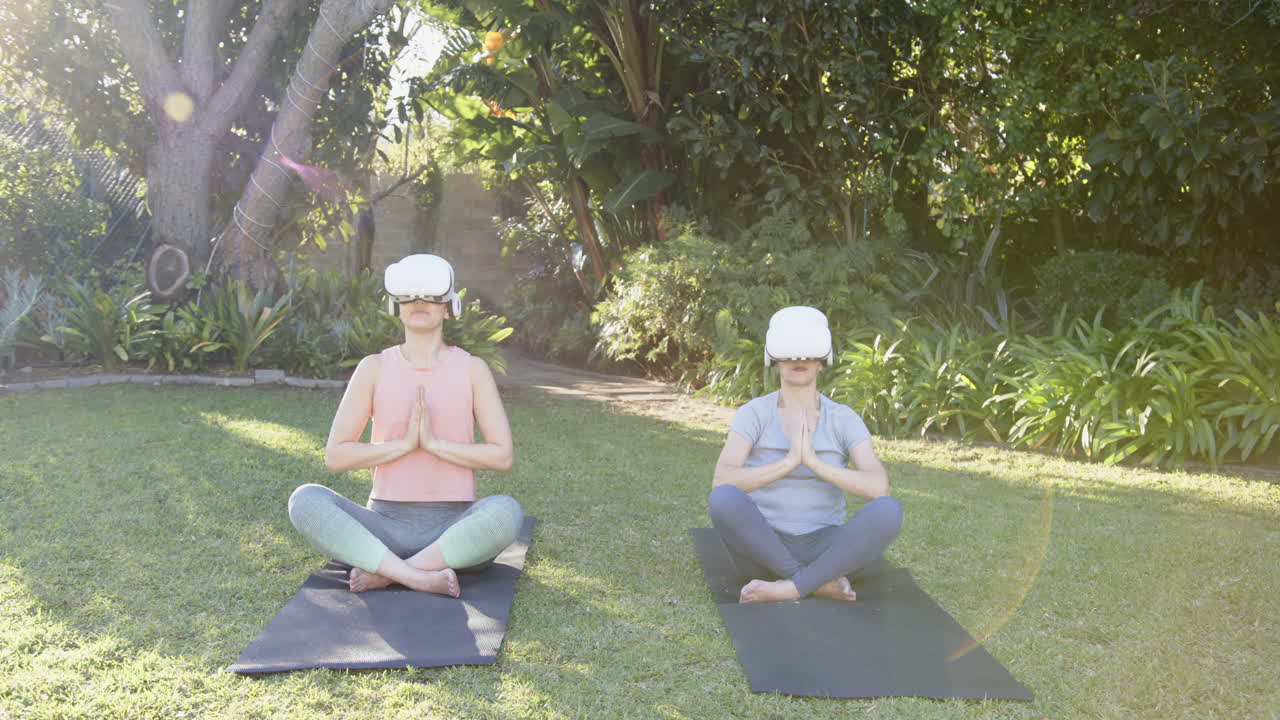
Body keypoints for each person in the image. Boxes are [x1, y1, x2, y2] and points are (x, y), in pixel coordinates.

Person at [287, 254, 523, 597]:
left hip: (453, 532)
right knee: (305, 500)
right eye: (410, 297)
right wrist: (403, 445)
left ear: (449, 307)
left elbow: (502, 457)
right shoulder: (373, 367)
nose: (419, 303)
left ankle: (387, 574)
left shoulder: (473, 369)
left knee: (506, 511)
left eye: (430, 296)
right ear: (397, 306)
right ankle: (418, 576)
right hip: (383, 527)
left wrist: (432, 444)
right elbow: (335, 457)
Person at [709, 306, 903, 603]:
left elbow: (878, 488)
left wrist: (813, 461)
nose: (799, 361)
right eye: (789, 354)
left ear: (823, 361)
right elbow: (722, 481)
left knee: (889, 511)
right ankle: (816, 582)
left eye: (808, 354)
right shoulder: (754, 413)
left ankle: (788, 586)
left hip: (827, 546)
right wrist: (789, 462)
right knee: (723, 499)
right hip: (764, 546)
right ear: (774, 360)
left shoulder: (843, 417)